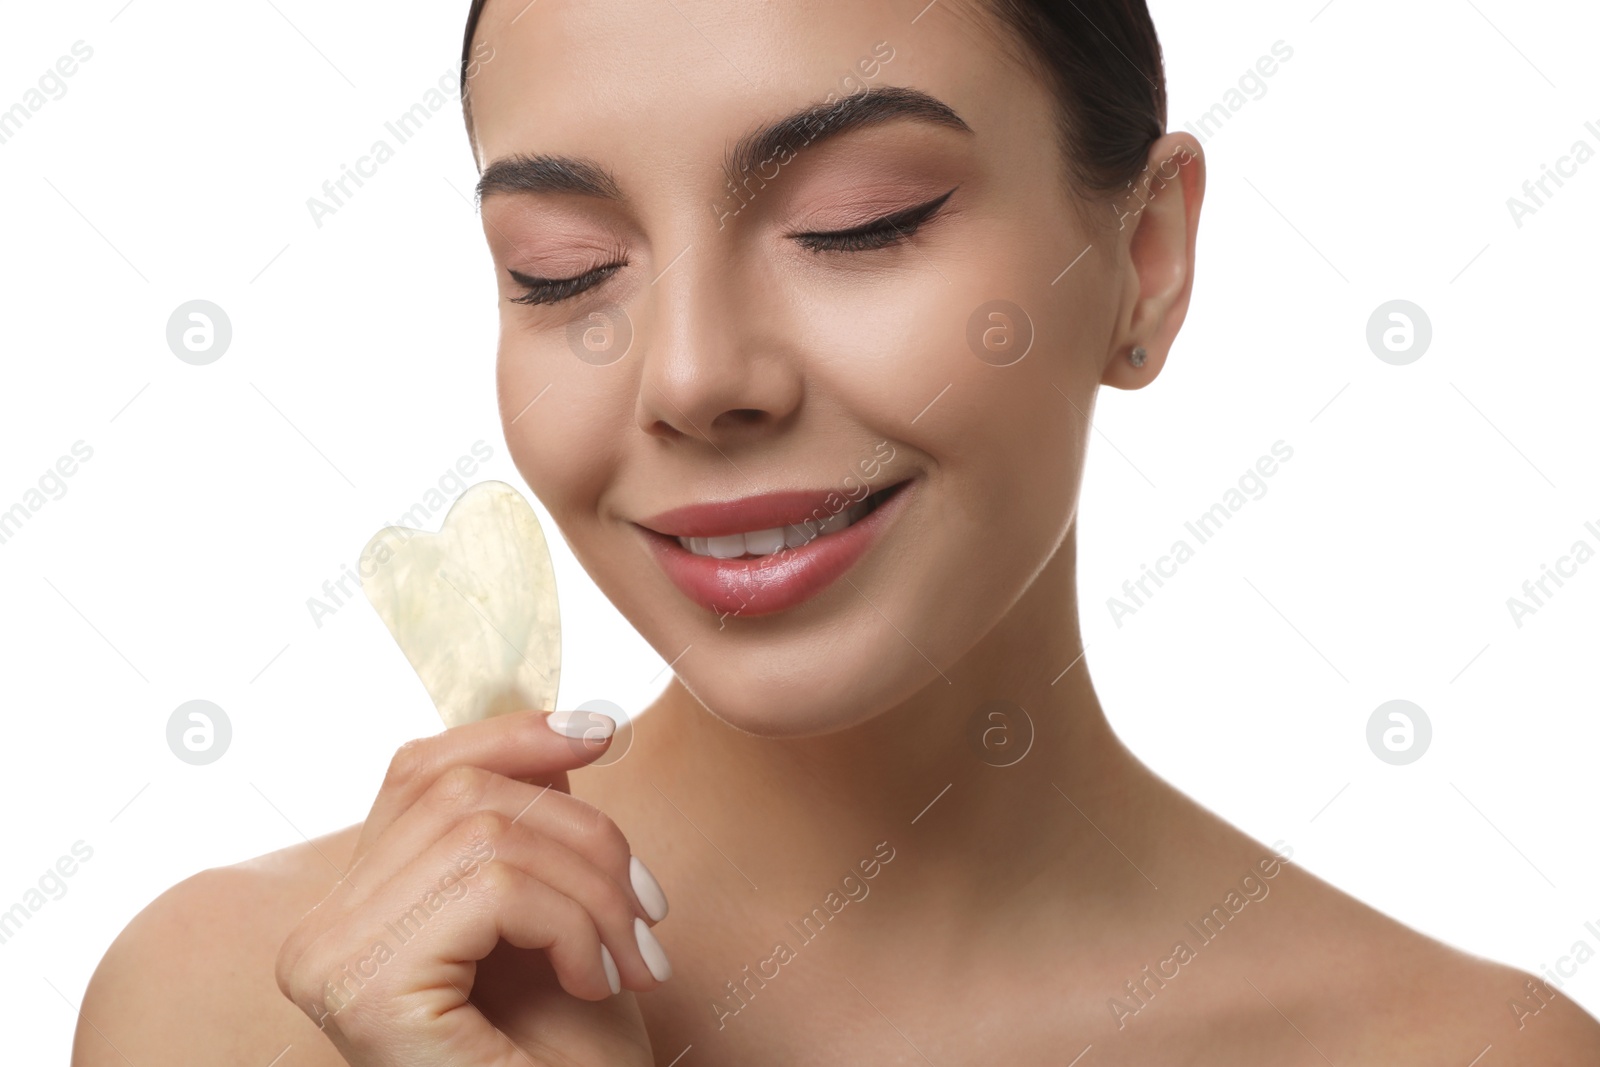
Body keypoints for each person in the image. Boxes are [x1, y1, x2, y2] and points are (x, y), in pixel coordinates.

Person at [73, 1, 1600, 1063]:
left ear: (1140, 257)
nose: (690, 377)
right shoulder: (250, 1010)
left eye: (858, 223)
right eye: (563, 270)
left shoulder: (1470, 1053)